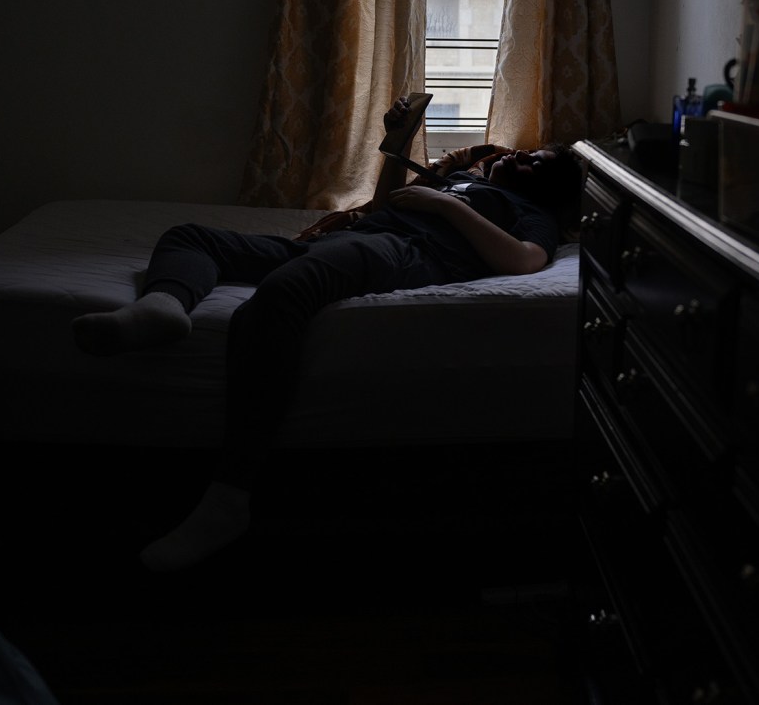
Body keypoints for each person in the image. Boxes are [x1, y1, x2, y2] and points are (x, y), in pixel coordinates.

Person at [71, 98, 584, 572]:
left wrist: (445, 206)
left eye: (534, 163)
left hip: (398, 256)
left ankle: (229, 496)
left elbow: (524, 261)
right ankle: (163, 307)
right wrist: (400, 147)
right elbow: (388, 206)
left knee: (277, 299)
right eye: (525, 153)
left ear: (544, 190)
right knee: (189, 237)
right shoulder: (462, 181)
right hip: (362, 235)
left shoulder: (528, 214)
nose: (518, 158)